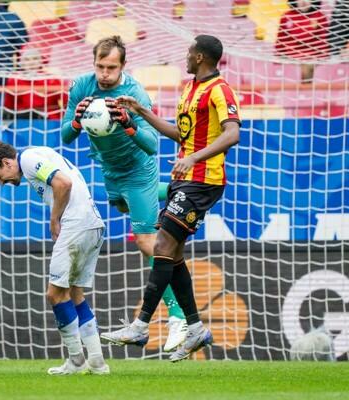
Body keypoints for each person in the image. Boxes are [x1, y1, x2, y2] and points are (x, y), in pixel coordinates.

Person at [101, 35, 241, 363]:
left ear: (202, 57)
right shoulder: (190, 89)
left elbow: (232, 133)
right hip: (184, 180)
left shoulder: (220, 89)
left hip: (203, 180)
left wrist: (194, 158)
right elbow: (182, 134)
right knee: (172, 254)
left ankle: (141, 324)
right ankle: (194, 327)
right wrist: (140, 111)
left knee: (161, 246)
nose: (186, 57)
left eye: (190, 53)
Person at [61, 35, 188, 352]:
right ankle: (174, 190)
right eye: (100, 66)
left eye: (111, 67)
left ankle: (178, 317)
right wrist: (76, 121)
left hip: (138, 169)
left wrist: (130, 124)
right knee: (120, 205)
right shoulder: (81, 87)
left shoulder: (133, 93)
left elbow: (153, 145)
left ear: (123, 66)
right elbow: (65, 136)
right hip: (109, 170)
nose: (105, 73)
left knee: (147, 242)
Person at [0, 141, 110, 375]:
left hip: (75, 225)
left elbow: (64, 183)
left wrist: (54, 218)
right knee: (75, 294)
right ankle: (97, 362)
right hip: (92, 225)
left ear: (6, 163)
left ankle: (76, 360)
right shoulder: (40, 154)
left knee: (54, 294)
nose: (1, 183)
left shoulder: (29, 159)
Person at [4, 47, 68, 120]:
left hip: (50, 121)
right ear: (21, 63)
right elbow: (8, 106)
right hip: (24, 121)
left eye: (35, 58)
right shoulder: (14, 80)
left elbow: (67, 102)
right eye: (27, 59)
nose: (31, 63)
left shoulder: (51, 79)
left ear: (41, 61)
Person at [275, 0, 329, 82]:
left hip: (311, 54)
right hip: (292, 53)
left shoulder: (319, 16)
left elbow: (322, 37)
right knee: (289, 71)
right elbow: (281, 37)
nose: (303, 2)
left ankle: (307, 85)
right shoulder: (287, 16)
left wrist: (323, 53)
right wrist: (278, 53)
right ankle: (297, 87)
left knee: (309, 65)